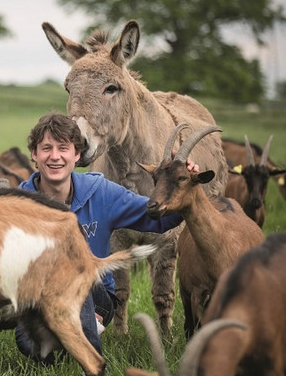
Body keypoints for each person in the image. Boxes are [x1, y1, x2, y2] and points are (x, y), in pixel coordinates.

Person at [14, 113, 197, 360]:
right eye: (46, 148)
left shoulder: (100, 193)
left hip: (95, 291)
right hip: (39, 296)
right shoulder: (17, 204)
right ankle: (68, 333)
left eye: (63, 148)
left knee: (78, 276)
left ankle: (85, 335)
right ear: (34, 155)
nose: (55, 156)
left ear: (77, 154)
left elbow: (159, 218)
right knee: (32, 349)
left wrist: (183, 185)